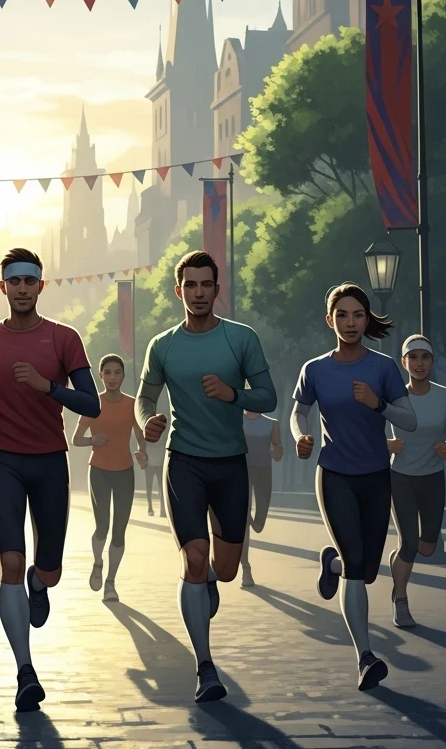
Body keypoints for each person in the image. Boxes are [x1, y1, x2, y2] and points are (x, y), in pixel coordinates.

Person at [0, 247, 101, 712]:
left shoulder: (64, 338)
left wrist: (47, 387)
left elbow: (91, 404)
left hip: (51, 462)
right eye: (12, 281)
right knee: (9, 564)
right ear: (2, 287)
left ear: (40, 286)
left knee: (46, 571)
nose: (20, 289)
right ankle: (25, 672)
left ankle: (41, 581)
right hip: (5, 462)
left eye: (28, 281)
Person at [136, 251, 277, 704]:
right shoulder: (163, 345)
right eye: (190, 286)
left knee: (225, 569)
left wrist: (232, 393)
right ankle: (205, 667)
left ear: (218, 290)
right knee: (194, 559)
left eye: (206, 285)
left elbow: (269, 396)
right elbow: (145, 396)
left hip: (231, 464)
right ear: (179, 291)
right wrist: (146, 422)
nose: (198, 293)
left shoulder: (242, 338)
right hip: (185, 462)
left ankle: (212, 582)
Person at [291, 283, 416, 691]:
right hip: (335, 473)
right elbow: (299, 411)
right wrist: (301, 436)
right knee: (357, 567)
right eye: (342, 315)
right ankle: (364, 656)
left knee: (363, 568)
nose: (350, 322)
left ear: (367, 319)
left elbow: (409, 421)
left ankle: (331, 564)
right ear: (330, 321)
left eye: (358, 315)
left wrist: (377, 404)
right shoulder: (315, 369)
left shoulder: (383, 368)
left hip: (377, 475)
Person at [387, 334, 446, 628]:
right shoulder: (394, 396)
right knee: (408, 544)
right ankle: (401, 600)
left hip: (432, 478)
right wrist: (386, 444)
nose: (419, 363)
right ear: (404, 362)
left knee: (426, 545)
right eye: (413, 357)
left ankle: (398, 569)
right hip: (401, 477)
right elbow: (368, 431)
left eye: (425, 357)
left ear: (431, 361)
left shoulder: (444, 395)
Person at [73, 353, 145, 602]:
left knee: (119, 530)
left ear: (123, 376)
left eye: (117, 372)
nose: (112, 377)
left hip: (124, 471)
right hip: (100, 471)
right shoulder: (93, 404)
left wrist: (142, 452)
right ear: (100, 376)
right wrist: (92, 440)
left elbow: (140, 433)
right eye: (108, 373)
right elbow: (76, 439)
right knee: (102, 525)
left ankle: (111, 582)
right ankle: (97, 562)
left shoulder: (132, 404)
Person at [239, 410, 283, 588]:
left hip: (264, 472)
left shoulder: (272, 423)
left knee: (259, 524)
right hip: (242, 471)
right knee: (244, 523)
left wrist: (275, 451)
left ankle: (247, 517)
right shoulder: (236, 419)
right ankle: (246, 569)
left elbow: (279, 453)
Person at [141, 431, 166, 517]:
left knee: (161, 488)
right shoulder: (147, 430)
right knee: (150, 487)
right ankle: (150, 508)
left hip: (160, 463)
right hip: (150, 463)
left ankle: (162, 510)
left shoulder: (163, 431)